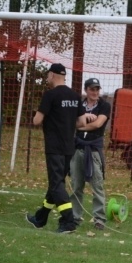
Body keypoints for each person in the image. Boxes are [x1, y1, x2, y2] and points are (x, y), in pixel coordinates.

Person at [26, 63, 86, 233]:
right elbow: (81, 123)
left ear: (52, 75)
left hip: (54, 147)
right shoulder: (75, 96)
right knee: (56, 183)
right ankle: (40, 218)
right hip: (69, 147)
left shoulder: (50, 95)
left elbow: (37, 121)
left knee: (56, 184)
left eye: (47, 75)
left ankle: (68, 220)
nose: (47, 78)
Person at [71, 78, 111, 230]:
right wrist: (85, 119)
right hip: (78, 149)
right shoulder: (78, 105)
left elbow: (97, 124)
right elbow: (71, 121)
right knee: (76, 186)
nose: (95, 92)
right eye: (92, 89)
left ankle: (99, 219)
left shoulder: (104, 106)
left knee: (97, 185)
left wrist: (80, 126)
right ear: (86, 90)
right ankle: (75, 216)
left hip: (93, 151)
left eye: (97, 89)